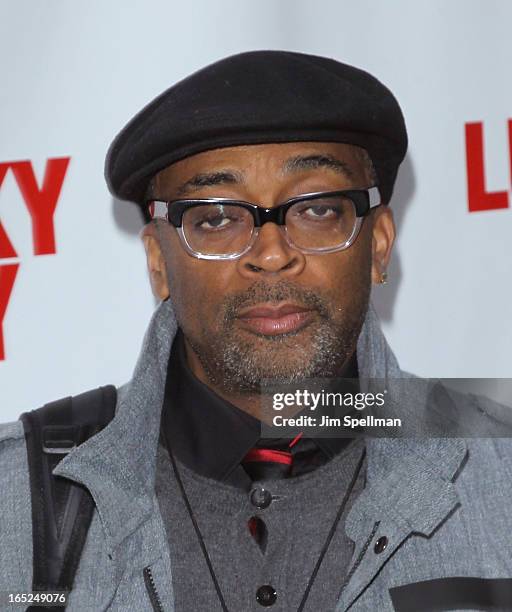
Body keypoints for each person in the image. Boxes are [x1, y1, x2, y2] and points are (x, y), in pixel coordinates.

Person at [1, 50, 512, 612]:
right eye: (217, 218)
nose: (271, 254)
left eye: (316, 209)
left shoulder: (499, 472)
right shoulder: (16, 499)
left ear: (379, 245)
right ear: (157, 261)